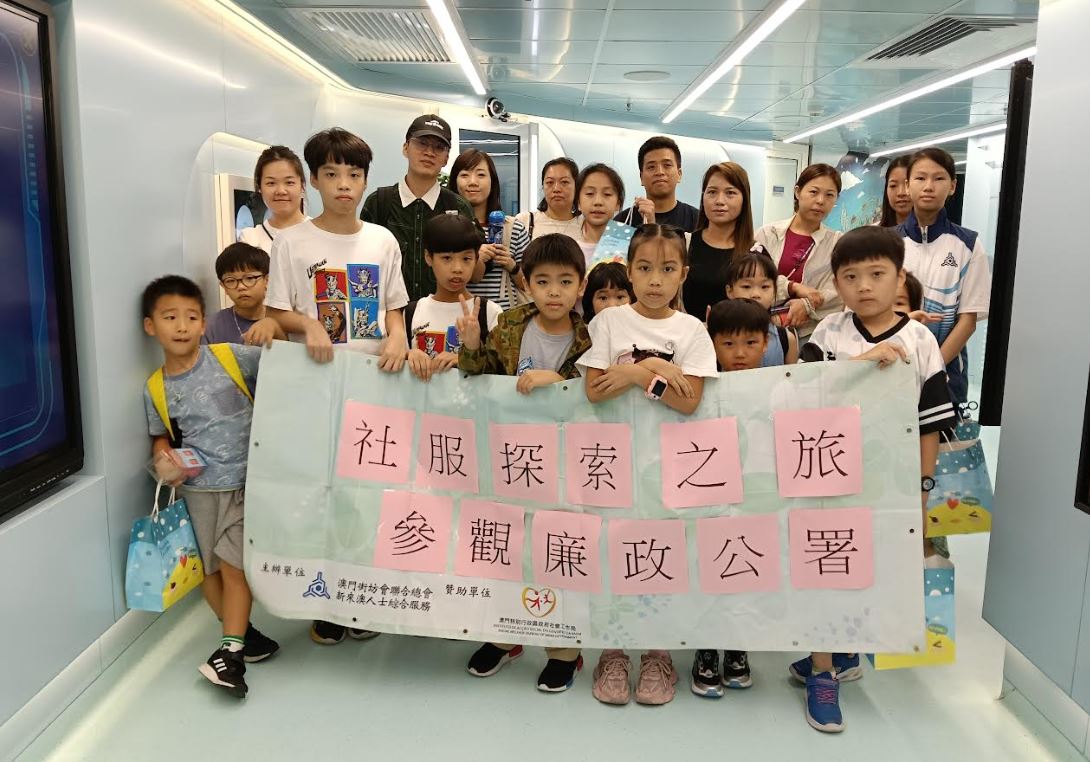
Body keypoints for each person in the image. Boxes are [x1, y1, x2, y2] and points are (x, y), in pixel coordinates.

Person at [793, 225, 958, 733]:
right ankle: (823, 672)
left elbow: (930, 425)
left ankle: (841, 651)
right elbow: (801, 397)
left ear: (899, 278)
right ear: (836, 283)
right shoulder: (829, 333)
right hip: (828, 477)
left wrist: (922, 491)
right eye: (850, 277)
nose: (863, 286)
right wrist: (862, 364)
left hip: (891, 483)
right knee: (825, 565)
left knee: (867, 569)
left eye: (876, 274)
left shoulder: (920, 339)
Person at [249, 127, 409, 646]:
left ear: (365, 180)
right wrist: (308, 324)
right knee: (321, 491)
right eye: (332, 173)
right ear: (313, 181)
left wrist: (398, 338)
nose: (344, 184)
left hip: (375, 387)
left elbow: (394, 309)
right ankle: (327, 600)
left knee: (366, 496)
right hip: (315, 389)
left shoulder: (382, 240)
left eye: (354, 174)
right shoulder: (292, 242)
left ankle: (361, 597)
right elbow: (276, 312)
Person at [576, 224, 717, 706]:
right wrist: (650, 369)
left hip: (669, 464)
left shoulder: (692, 330)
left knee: (662, 555)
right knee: (612, 552)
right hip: (612, 461)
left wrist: (635, 377)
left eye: (667, 269)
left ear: (684, 274)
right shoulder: (609, 322)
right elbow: (594, 390)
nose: (656, 280)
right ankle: (612, 652)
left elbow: (690, 401)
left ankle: (659, 654)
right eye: (644, 268)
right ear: (629, 272)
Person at [457, 234, 590, 691]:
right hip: (511, 458)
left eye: (565, 281)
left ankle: (564, 650)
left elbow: (599, 391)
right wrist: (471, 346)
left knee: (560, 549)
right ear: (527, 285)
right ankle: (504, 634)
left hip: (566, 466)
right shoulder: (510, 324)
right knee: (507, 545)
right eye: (543, 281)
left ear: (581, 286)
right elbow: (481, 377)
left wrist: (562, 380)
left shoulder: (591, 337)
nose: (554, 291)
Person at [141, 275, 281, 698]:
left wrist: (275, 327)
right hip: (197, 492)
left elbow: (281, 365)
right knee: (208, 571)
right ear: (151, 326)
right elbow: (161, 436)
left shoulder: (229, 357)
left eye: (191, 317)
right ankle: (242, 636)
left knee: (236, 568)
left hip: (245, 484)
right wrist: (164, 458)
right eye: (170, 317)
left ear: (204, 323)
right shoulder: (155, 388)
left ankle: (229, 654)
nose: (182, 326)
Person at [897, 146, 992, 410]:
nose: (929, 186)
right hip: (890, 366)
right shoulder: (887, 243)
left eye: (938, 178)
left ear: (952, 186)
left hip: (945, 375)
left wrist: (932, 367)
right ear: (908, 185)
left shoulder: (968, 245)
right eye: (920, 178)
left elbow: (968, 321)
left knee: (939, 437)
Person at [361, 114, 474, 301]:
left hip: (443, 314)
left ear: (446, 158)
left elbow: (474, 270)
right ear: (406, 148)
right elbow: (362, 262)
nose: (429, 152)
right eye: (422, 143)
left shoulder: (458, 207)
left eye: (439, 147)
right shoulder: (379, 203)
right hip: (389, 313)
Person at [405, 214, 500, 381]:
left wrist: (468, 355)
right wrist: (408, 355)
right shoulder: (411, 312)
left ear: (476, 259)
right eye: (447, 258)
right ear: (428, 257)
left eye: (466, 258)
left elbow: (503, 373)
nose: (457, 268)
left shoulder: (489, 312)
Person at [754, 163, 843, 338]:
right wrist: (790, 287)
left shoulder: (837, 243)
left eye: (829, 195)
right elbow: (751, 278)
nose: (820, 201)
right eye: (814, 192)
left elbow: (839, 291)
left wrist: (807, 305)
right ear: (797, 192)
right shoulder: (767, 234)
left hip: (812, 333)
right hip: (761, 327)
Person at [447, 148, 530, 309]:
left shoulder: (514, 228)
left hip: (503, 319)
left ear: (493, 181)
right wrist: (472, 257)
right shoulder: (445, 228)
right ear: (454, 181)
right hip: (455, 315)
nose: (473, 182)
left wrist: (511, 265)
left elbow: (532, 285)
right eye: (464, 175)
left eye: (481, 175)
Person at [683, 161, 754, 320]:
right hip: (687, 333)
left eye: (730, 193)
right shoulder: (684, 244)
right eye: (712, 192)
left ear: (744, 199)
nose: (719, 201)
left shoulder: (755, 252)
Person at [724, 248, 799, 366]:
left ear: (775, 290)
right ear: (730, 291)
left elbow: (791, 376)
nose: (756, 294)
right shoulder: (718, 337)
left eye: (764, 287)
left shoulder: (786, 339)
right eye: (746, 286)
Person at [202, 243, 285, 346]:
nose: (241, 287)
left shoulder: (285, 320)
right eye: (231, 280)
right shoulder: (211, 326)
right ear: (223, 287)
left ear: (267, 280)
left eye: (249, 278)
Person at [615, 136, 699, 232]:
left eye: (667, 165)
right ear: (641, 178)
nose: (659, 172)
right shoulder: (623, 222)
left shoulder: (696, 220)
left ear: (679, 174)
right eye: (651, 167)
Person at [238, 145, 308, 253]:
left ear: (302, 186)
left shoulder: (322, 232)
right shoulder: (250, 239)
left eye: (289, 182)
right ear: (259, 187)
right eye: (271, 183)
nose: (280, 191)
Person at [516, 157, 583, 241]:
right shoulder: (525, 220)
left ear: (576, 186)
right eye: (550, 182)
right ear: (543, 186)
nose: (556, 189)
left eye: (564, 182)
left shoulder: (586, 225)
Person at [573, 163, 625, 267]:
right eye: (589, 193)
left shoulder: (628, 248)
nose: (598, 202)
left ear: (618, 204)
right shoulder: (569, 250)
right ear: (578, 203)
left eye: (607, 194)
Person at [879, 155, 912, 228]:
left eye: (908, 184)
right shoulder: (875, 233)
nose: (901, 193)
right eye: (893, 186)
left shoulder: (934, 233)